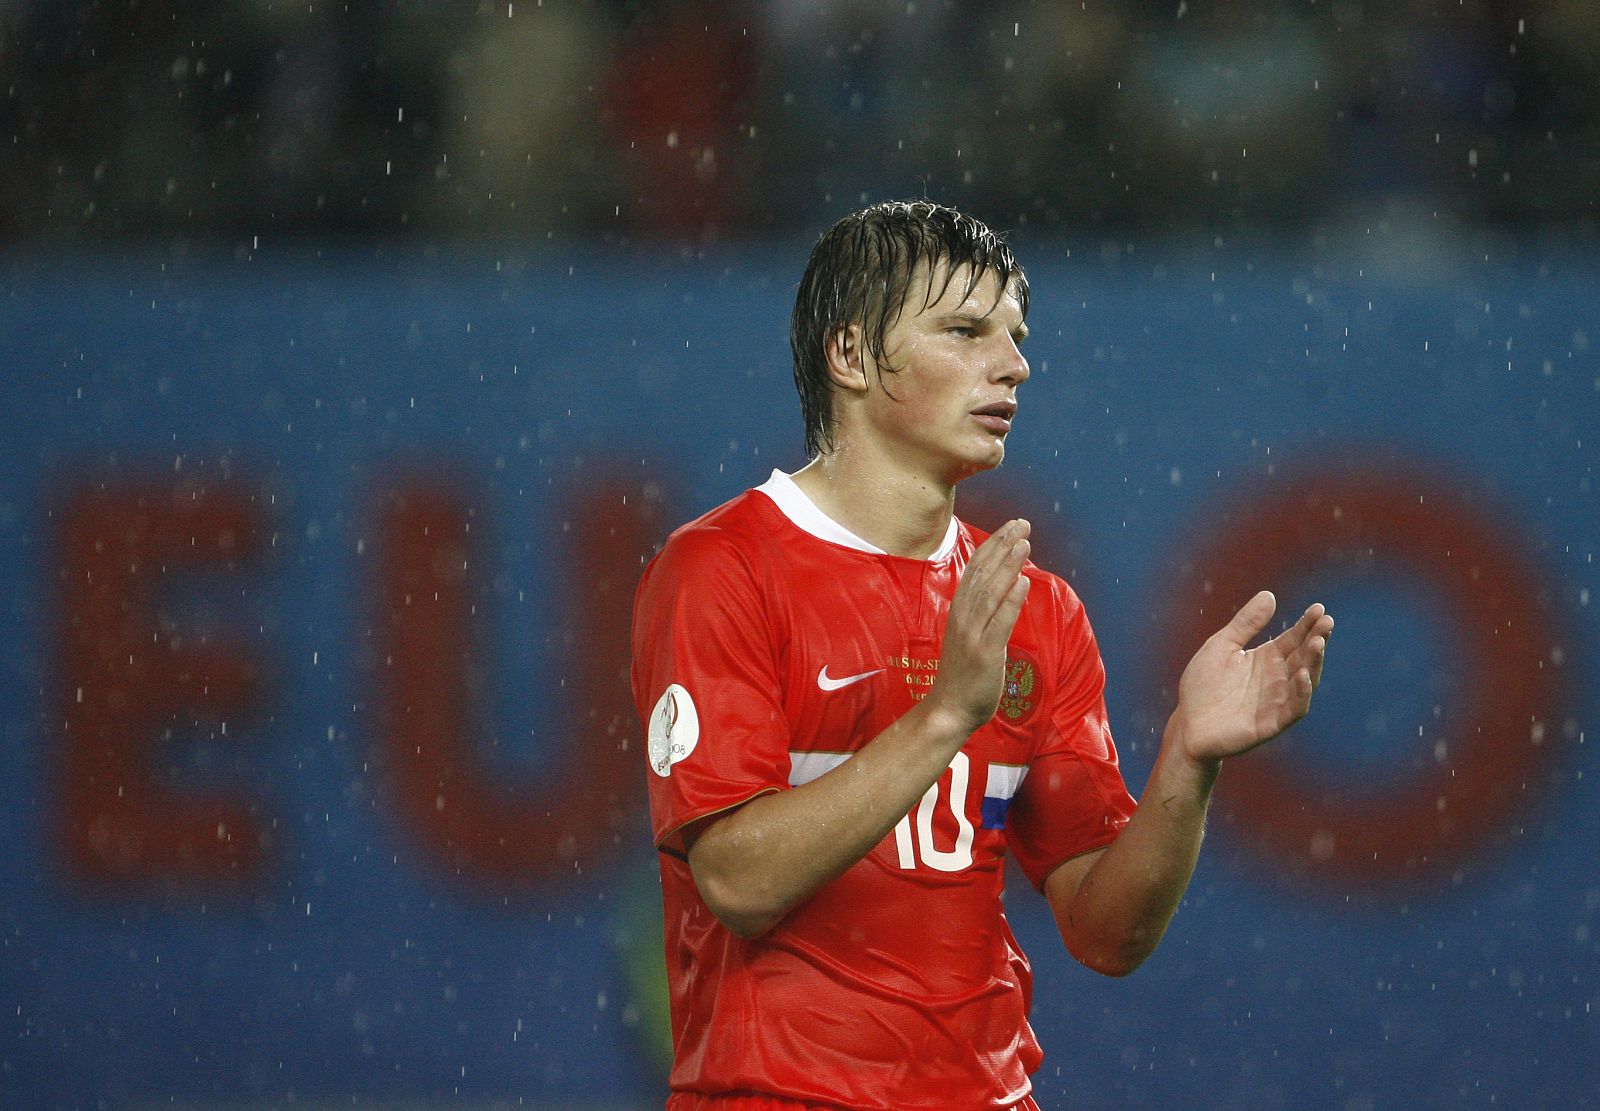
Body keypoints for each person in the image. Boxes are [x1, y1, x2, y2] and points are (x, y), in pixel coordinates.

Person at [630, 200, 1334, 1110]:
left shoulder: (1037, 610)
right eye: (965, 331)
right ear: (848, 355)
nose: (1014, 364)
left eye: (1015, 334)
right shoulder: (720, 569)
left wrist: (1190, 760)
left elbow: (1105, 930)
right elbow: (737, 878)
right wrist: (947, 714)